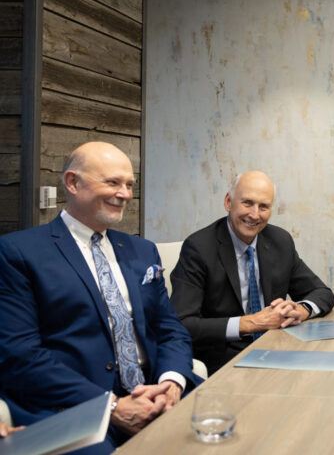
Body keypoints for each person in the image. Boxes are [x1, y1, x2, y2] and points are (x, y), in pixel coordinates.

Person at [0, 142, 200, 454]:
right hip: (73, 407)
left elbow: (170, 329)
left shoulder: (142, 250)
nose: (125, 194)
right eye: (112, 182)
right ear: (72, 182)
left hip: (153, 394)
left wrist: (171, 383)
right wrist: (113, 406)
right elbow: (20, 355)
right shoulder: (19, 253)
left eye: (129, 184)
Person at [170, 171, 334, 374]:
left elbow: (322, 293)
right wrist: (248, 323)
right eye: (247, 203)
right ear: (228, 202)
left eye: (263, 206)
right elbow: (182, 323)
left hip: (276, 349)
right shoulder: (199, 248)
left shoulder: (280, 241)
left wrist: (300, 310)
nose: (255, 215)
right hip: (223, 361)